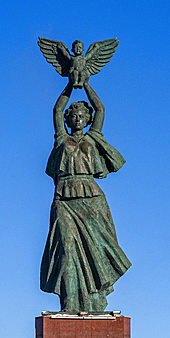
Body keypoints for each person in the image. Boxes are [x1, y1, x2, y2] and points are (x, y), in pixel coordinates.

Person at [41, 80, 131, 313]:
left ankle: (94, 302)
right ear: (68, 120)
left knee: (96, 250)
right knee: (66, 248)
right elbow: (57, 110)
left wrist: (87, 83)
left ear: (88, 119)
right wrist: (71, 84)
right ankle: (69, 304)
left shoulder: (92, 138)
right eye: (74, 115)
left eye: (82, 115)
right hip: (64, 198)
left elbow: (100, 109)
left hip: (91, 198)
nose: (78, 118)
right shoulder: (61, 139)